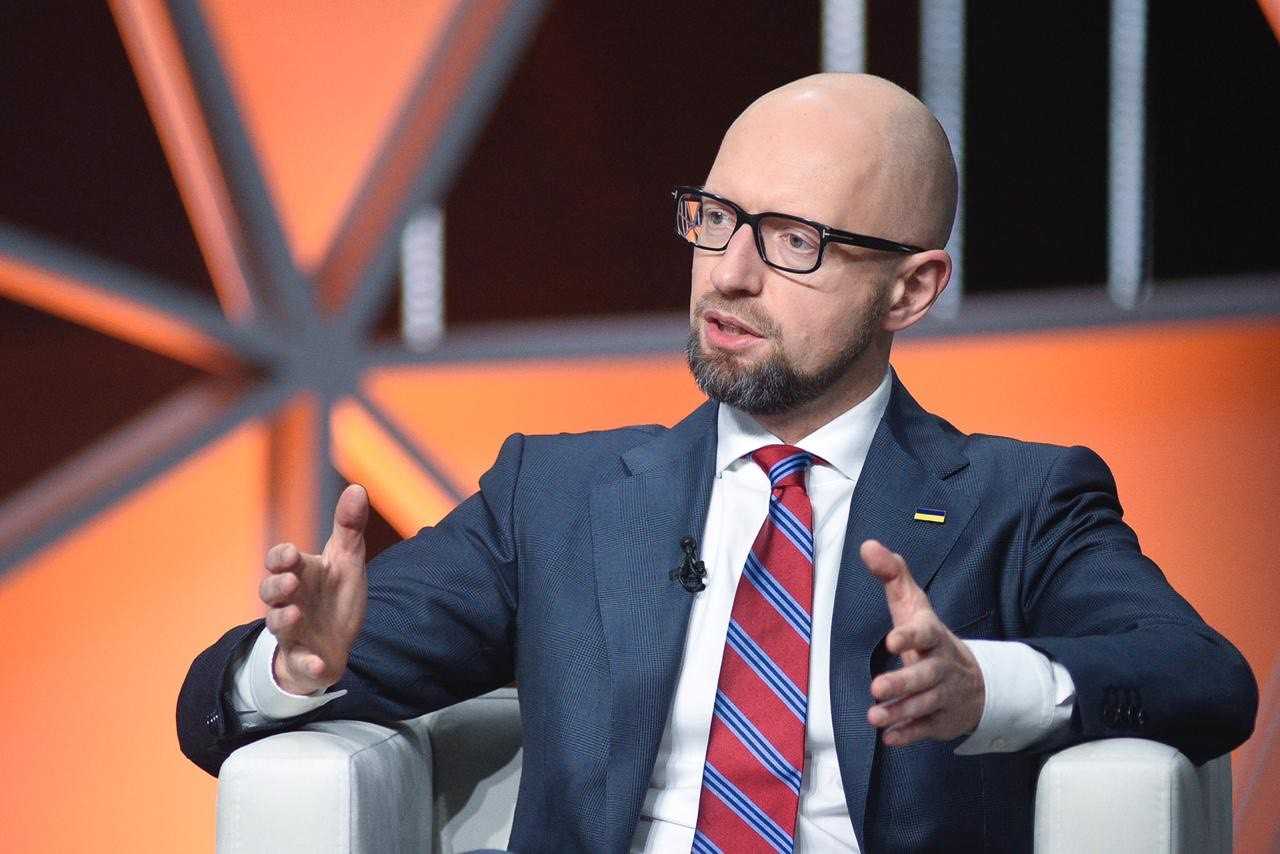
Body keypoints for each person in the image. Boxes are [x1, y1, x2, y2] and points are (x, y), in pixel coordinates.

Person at [177, 74, 1256, 852]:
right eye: (715, 220)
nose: (728, 274)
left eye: (793, 240)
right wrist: (297, 668)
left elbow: (1201, 674)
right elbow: (215, 699)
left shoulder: (1019, 502)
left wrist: (987, 689)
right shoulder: (555, 499)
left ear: (911, 288)